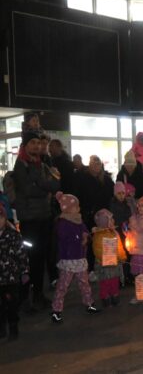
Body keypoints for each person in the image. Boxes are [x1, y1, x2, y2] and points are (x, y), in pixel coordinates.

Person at [13, 130, 60, 310]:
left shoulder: (42, 164)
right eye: (32, 143)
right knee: (30, 258)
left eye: (38, 143)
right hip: (30, 220)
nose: (36, 146)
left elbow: (55, 185)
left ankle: (38, 294)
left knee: (41, 257)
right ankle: (27, 296)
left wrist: (41, 185)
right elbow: (27, 190)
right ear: (25, 146)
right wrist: (44, 187)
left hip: (44, 217)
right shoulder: (21, 164)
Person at [51, 192, 100, 323]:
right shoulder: (63, 223)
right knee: (63, 285)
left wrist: (86, 236)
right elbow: (64, 237)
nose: (78, 209)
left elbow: (84, 230)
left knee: (84, 283)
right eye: (75, 207)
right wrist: (79, 239)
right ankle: (56, 309)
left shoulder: (78, 219)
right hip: (69, 259)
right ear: (67, 208)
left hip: (79, 257)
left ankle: (89, 303)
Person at [74, 155, 115, 276]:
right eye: (94, 163)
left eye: (98, 164)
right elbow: (78, 196)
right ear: (90, 165)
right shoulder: (82, 178)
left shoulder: (107, 180)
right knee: (91, 243)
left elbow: (112, 195)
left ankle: (108, 268)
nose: (96, 166)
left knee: (106, 241)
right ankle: (90, 269)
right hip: (89, 215)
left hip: (105, 216)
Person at [0, 204, 29, 340]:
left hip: (11, 277)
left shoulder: (13, 235)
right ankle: (2, 329)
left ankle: (13, 327)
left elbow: (21, 254)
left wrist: (24, 271)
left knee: (12, 304)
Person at [92, 209, 126, 308]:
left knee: (114, 281)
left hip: (114, 263)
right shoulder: (98, 235)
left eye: (112, 219)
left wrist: (122, 256)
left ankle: (115, 295)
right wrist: (105, 258)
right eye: (110, 220)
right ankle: (105, 298)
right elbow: (97, 249)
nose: (113, 221)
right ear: (104, 222)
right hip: (104, 265)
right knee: (105, 282)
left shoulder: (114, 233)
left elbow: (119, 246)